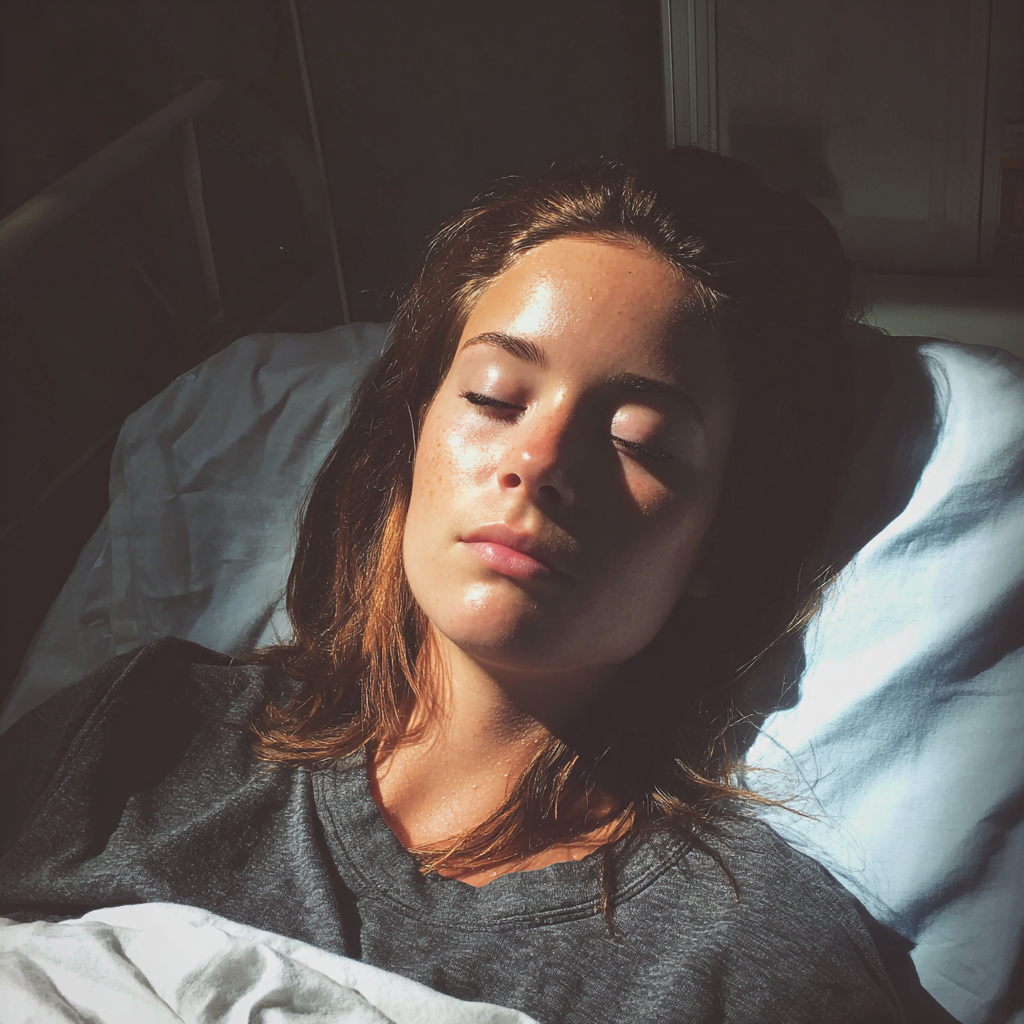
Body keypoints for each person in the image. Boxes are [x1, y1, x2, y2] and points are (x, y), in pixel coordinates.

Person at [0, 149, 957, 1022]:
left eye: (640, 442)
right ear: (413, 437)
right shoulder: (135, 734)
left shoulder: (747, 963)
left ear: (720, 543)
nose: (537, 463)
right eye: (495, 399)